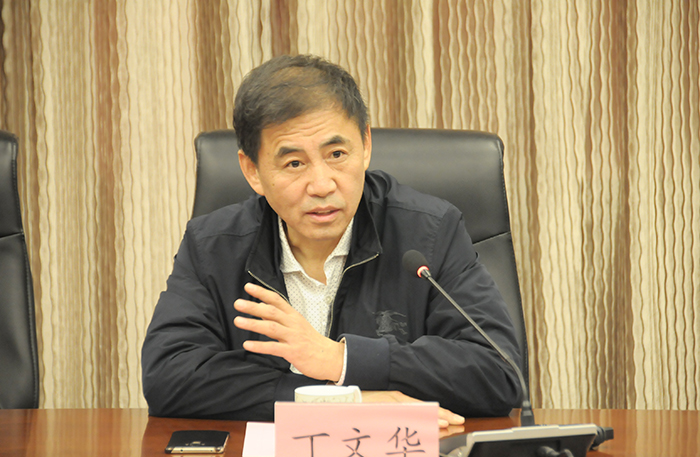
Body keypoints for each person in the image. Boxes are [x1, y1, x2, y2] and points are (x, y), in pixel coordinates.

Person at [141, 55, 521, 427]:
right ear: (252, 170)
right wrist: (338, 403)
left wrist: (341, 360)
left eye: (337, 154)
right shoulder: (213, 245)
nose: (322, 185)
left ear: (366, 144)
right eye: (294, 163)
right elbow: (168, 376)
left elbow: (499, 371)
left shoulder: (429, 233)